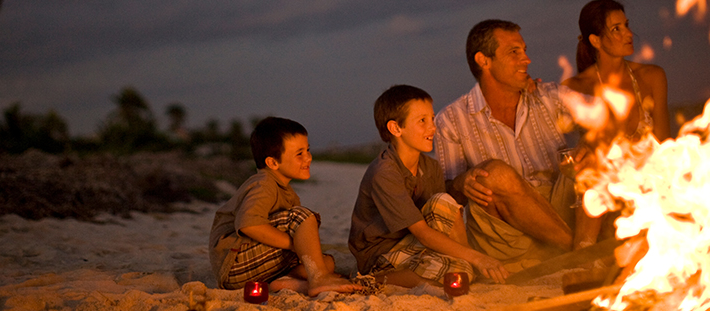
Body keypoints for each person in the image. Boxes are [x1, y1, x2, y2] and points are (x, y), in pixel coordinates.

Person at [434, 20, 578, 272]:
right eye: (514, 52)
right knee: (495, 174)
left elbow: (609, 114)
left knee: (599, 150)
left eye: (524, 50)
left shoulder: (550, 96)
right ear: (483, 60)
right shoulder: (451, 120)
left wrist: (590, 144)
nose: (527, 59)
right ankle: (579, 251)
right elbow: (447, 198)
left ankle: (581, 245)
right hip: (506, 236)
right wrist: (461, 183)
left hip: (561, 209)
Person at [349, 84, 509, 288]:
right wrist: (478, 259)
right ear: (396, 128)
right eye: (422, 121)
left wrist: (470, 257)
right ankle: (375, 278)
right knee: (458, 270)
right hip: (381, 254)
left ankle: (456, 269)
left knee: (444, 203)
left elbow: (444, 215)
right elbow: (423, 232)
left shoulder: (430, 166)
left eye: (432, 119)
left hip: (413, 245)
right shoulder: (385, 173)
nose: (432, 127)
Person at [209, 116, 359, 296]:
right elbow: (249, 225)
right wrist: (293, 244)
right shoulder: (263, 184)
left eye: (308, 150)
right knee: (301, 218)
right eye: (299, 154)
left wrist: (303, 249)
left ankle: (285, 283)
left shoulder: (287, 193)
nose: (308, 158)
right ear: (272, 162)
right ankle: (319, 278)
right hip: (233, 263)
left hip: (255, 267)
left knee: (325, 261)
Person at [562, 0, 670, 143]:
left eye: (626, 25)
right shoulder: (575, 88)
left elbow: (664, 143)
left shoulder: (652, 76)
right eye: (616, 29)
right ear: (596, 41)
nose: (629, 33)